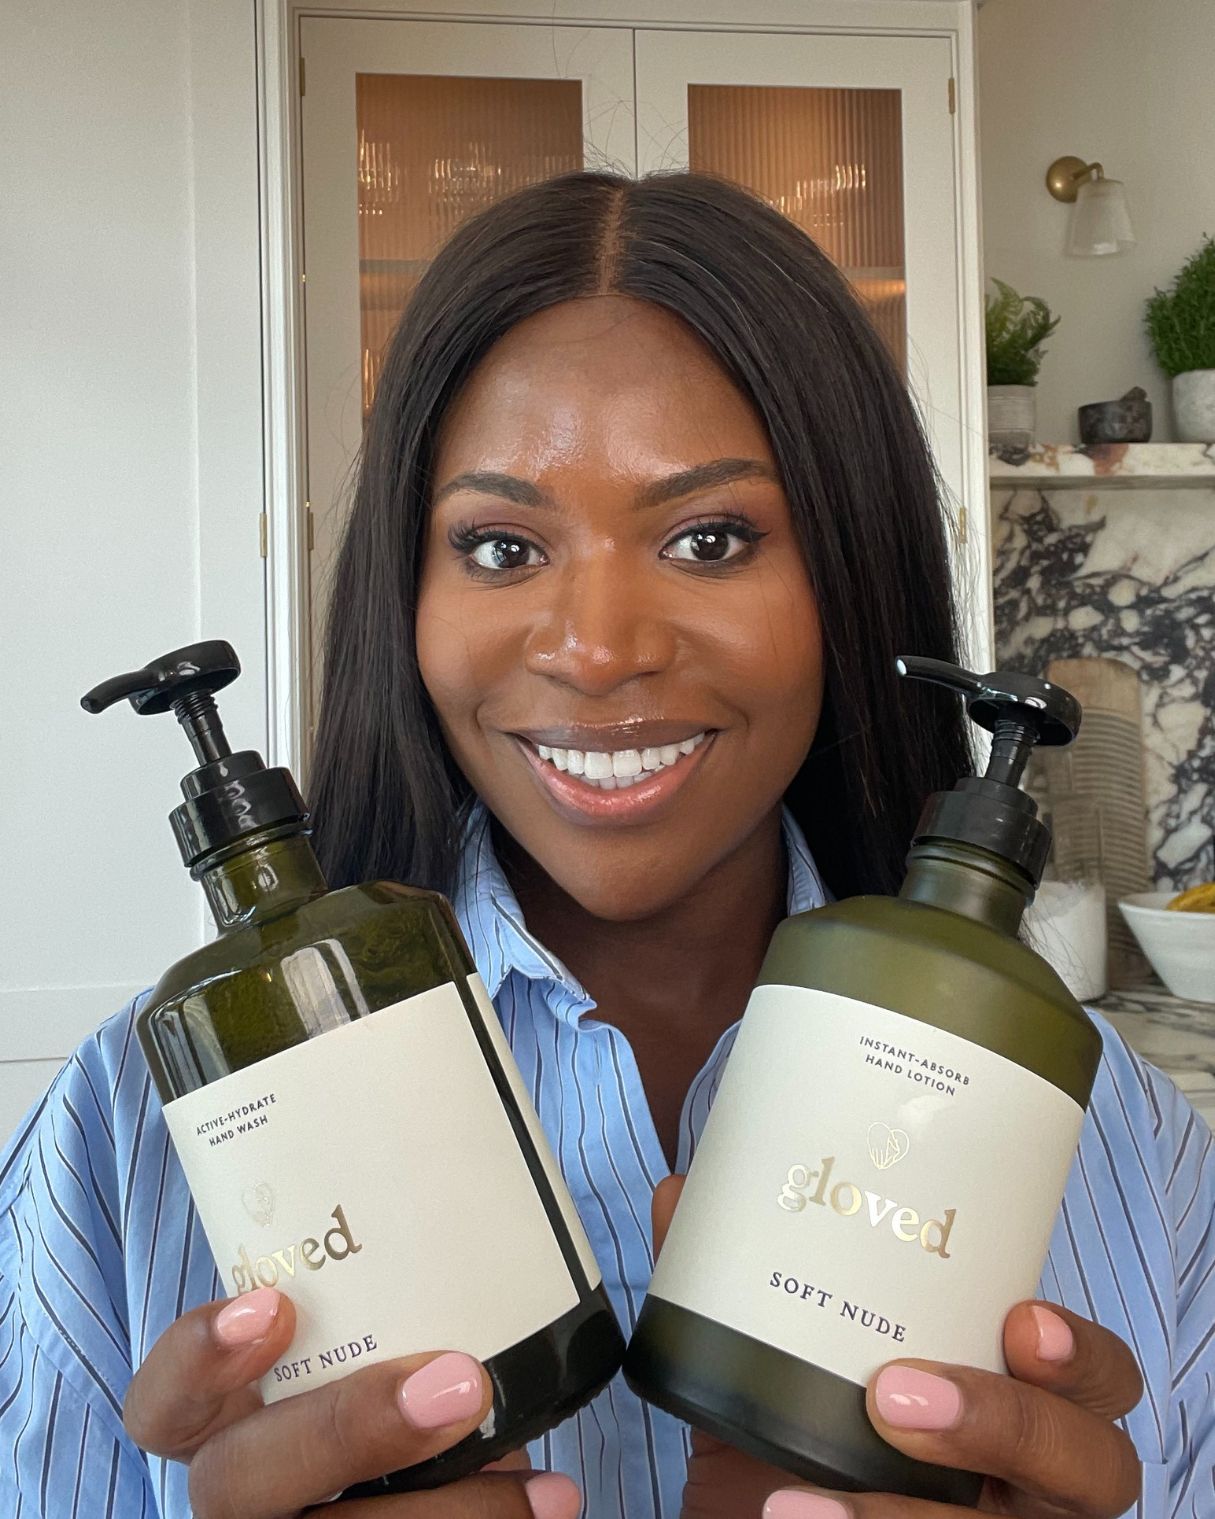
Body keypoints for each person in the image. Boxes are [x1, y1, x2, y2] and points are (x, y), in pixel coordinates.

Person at [0, 171, 1210, 1519]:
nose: (597, 649)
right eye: (503, 547)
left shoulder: (1121, 1139)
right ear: (407, 591)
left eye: (710, 537)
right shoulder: (120, 1141)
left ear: (850, 576)